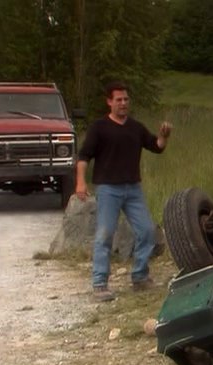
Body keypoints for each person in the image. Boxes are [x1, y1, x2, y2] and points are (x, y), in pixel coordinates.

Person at [76, 81, 172, 302]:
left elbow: (156, 146)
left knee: (147, 231)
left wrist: (164, 136)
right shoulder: (99, 127)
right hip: (108, 189)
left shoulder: (135, 127)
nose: (123, 103)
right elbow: (83, 157)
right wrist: (80, 183)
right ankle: (100, 283)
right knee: (105, 234)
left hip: (133, 189)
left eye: (126, 99)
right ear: (109, 102)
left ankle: (140, 276)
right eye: (118, 99)